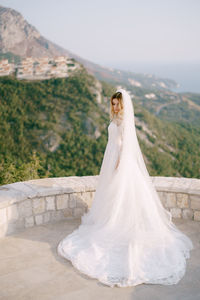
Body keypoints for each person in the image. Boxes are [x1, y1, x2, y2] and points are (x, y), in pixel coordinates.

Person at [57, 88, 193, 288]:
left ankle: (123, 226)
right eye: (112, 103)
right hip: (112, 158)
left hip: (120, 162)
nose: (114, 106)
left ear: (123, 104)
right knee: (113, 197)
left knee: (122, 195)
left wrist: (118, 165)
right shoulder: (116, 119)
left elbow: (125, 146)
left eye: (117, 103)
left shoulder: (123, 122)